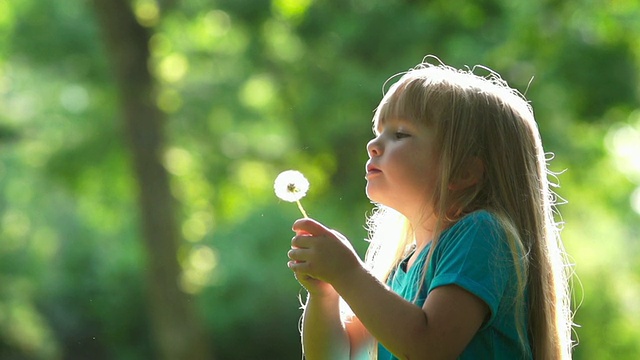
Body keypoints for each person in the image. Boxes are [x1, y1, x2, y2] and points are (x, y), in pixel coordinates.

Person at [287, 57, 574, 359]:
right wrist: (326, 295)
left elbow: (429, 347)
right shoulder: (403, 269)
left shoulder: (482, 233)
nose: (373, 144)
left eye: (400, 134)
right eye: (379, 131)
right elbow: (338, 356)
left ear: (463, 171)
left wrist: (347, 273)